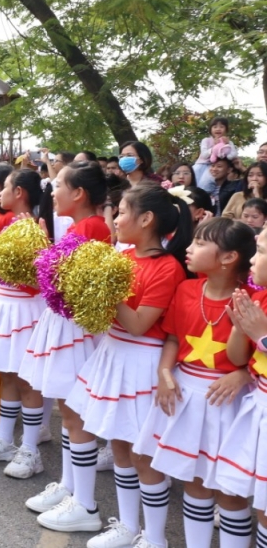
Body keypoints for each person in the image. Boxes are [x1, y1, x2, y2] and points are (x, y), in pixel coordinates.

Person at [42, 184, 192, 541]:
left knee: (142, 455)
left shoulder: (167, 268)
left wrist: (104, 287)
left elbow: (140, 324)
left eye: (122, 212)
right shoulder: (123, 258)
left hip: (141, 362)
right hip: (113, 353)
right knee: (120, 446)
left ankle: (154, 537)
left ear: (146, 218)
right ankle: (127, 525)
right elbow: (101, 316)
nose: (117, 220)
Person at [131, 218, 255, 548]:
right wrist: (164, 373)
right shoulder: (187, 289)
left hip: (229, 400)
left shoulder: (254, 299)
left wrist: (242, 372)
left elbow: (252, 359)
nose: (189, 247)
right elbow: (172, 337)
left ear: (229, 258)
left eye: (200, 243)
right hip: (186, 393)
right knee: (195, 480)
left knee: (230, 491)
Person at [17, 162, 112, 520]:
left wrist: (43, 257)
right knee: (69, 414)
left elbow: (70, 285)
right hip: (66, 324)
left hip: (75, 328)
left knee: (74, 414)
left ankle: (85, 505)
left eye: (57, 185)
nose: (51, 191)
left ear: (79, 194)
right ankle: (70, 486)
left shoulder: (91, 228)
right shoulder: (82, 226)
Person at [0, 168, 51, 479]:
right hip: (4, 303)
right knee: (8, 373)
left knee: (26, 377)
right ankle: (4, 439)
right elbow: (0, 263)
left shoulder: (36, 228)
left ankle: (30, 449)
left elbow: (36, 275)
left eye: (6, 188)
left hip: (24, 308)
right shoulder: (11, 224)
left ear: (19, 193)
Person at [218, 230, 267, 548]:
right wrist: (239, 328)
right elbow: (238, 358)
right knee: (235, 491)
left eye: (260, 250)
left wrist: (263, 336)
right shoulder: (259, 297)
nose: (252, 258)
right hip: (259, 403)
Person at [194, 116, 238, 191]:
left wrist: (227, 154)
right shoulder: (206, 140)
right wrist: (213, 148)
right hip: (201, 165)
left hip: (213, 167)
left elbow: (234, 154)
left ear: (226, 130)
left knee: (205, 185)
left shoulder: (228, 142)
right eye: (215, 127)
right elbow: (204, 155)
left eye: (221, 127)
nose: (218, 129)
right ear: (211, 129)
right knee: (193, 182)